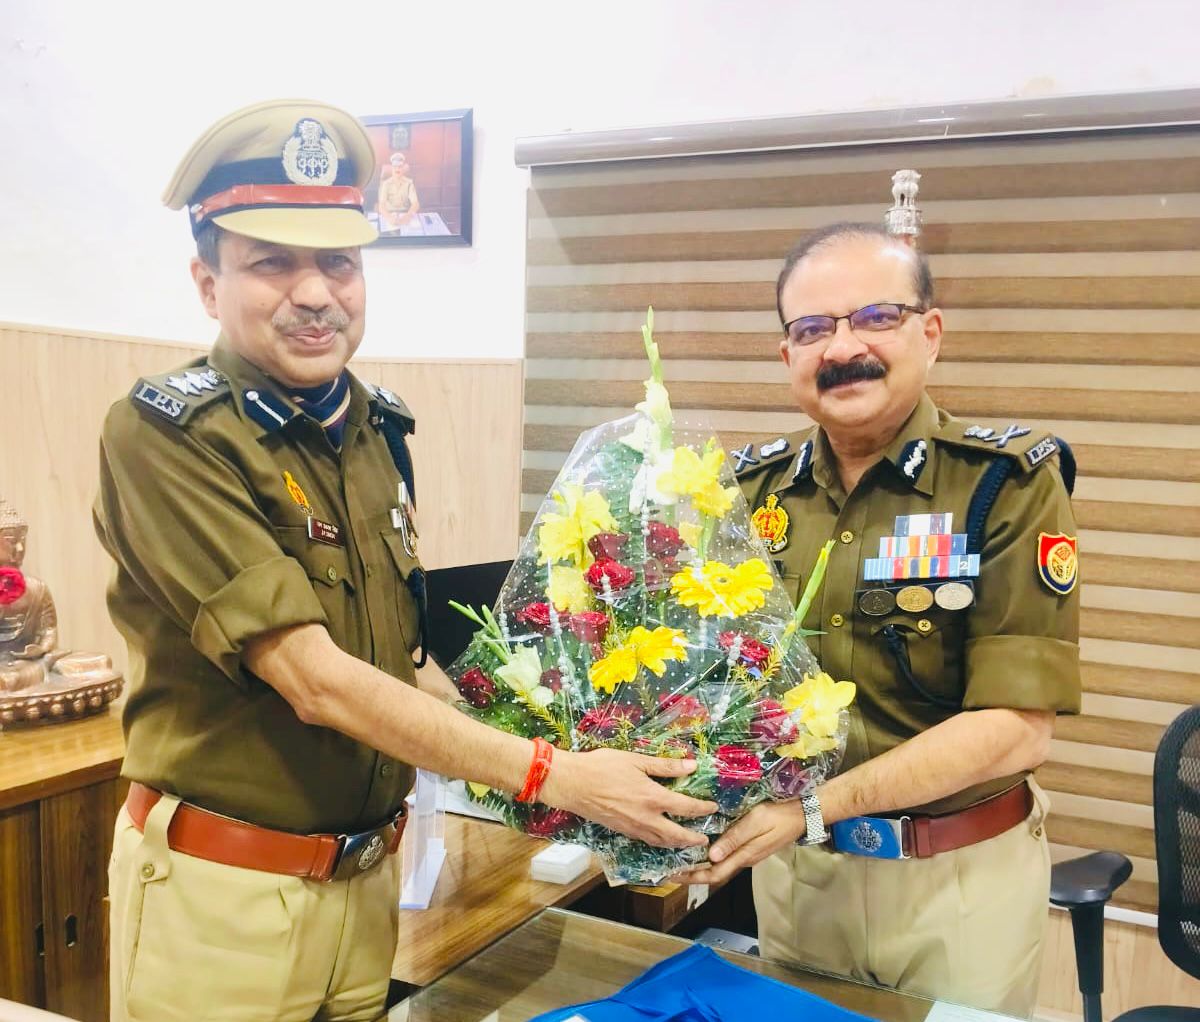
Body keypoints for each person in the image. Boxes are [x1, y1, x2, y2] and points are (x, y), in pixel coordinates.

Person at [96, 99, 715, 1022]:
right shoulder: (169, 434)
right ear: (207, 283)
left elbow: (392, 671)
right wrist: (549, 773)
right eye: (272, 263)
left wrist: (574, 741)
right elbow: (315, 680)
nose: (316, 293)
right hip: (224, 895)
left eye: (339, 263)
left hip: (366, 889)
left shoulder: (371, 429)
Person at [685, 222, 1081, 1015]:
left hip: (957, 887)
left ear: (929, 333)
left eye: (875, 316)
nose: (843, 348)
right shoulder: (744, 493)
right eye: (812, 329)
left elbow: (1017, 728)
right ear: (787, 355)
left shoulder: (1002, 484)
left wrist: (812, 809)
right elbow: (710, 683)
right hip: (801, 880)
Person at [376, 150, 420, 229]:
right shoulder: (386, 184)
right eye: (395, 167)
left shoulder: (409, 183)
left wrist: (407, 216)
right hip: (390, 214)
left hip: (405, 213)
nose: (397, 169)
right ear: (392, 168)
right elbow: (381, 205)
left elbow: (415, 204)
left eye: (400, 166)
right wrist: (388, 217)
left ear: (403, 168)